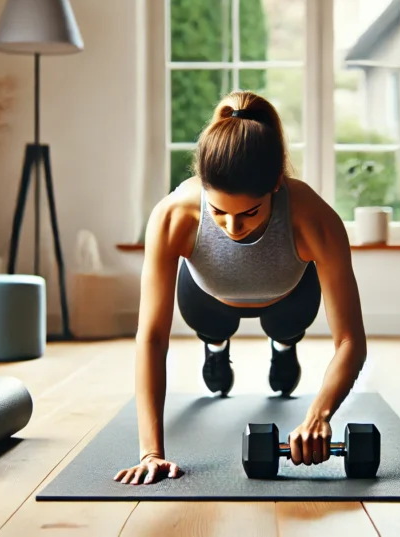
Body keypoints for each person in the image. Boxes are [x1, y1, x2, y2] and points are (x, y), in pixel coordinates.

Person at [113, 90, 368, 486]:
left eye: (249, 212)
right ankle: (216, 348)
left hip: (289, 296)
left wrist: (318, 415)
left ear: (276, 186)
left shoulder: (313, 216)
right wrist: (151, 452)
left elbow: (351, 339)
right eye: (218, 212)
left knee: (287, 331)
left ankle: (283, 345)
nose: (233, 228)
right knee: (212, 327)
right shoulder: (173, 214)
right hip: (208, 297)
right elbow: (151, 339)